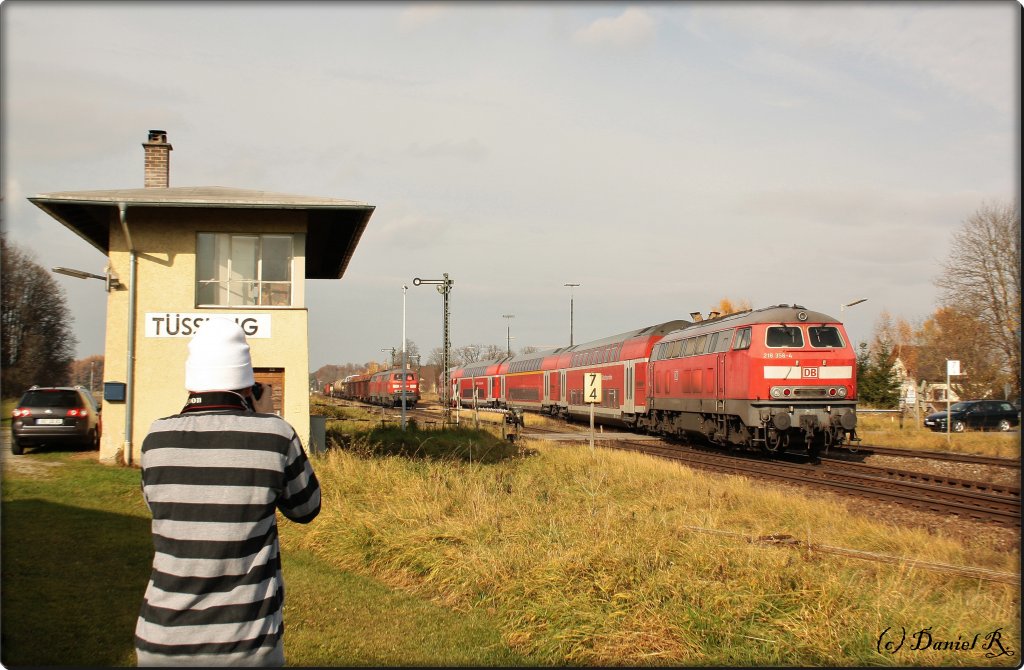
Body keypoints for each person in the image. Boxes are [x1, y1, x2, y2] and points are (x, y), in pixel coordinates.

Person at [134, 318, 321, 666]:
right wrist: (263, 417)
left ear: (192, 381)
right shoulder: (275, 435)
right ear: (248, 384)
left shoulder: (155, 439)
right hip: (246, 645)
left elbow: (159, 508)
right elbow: (307, 508)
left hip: (161, 640)